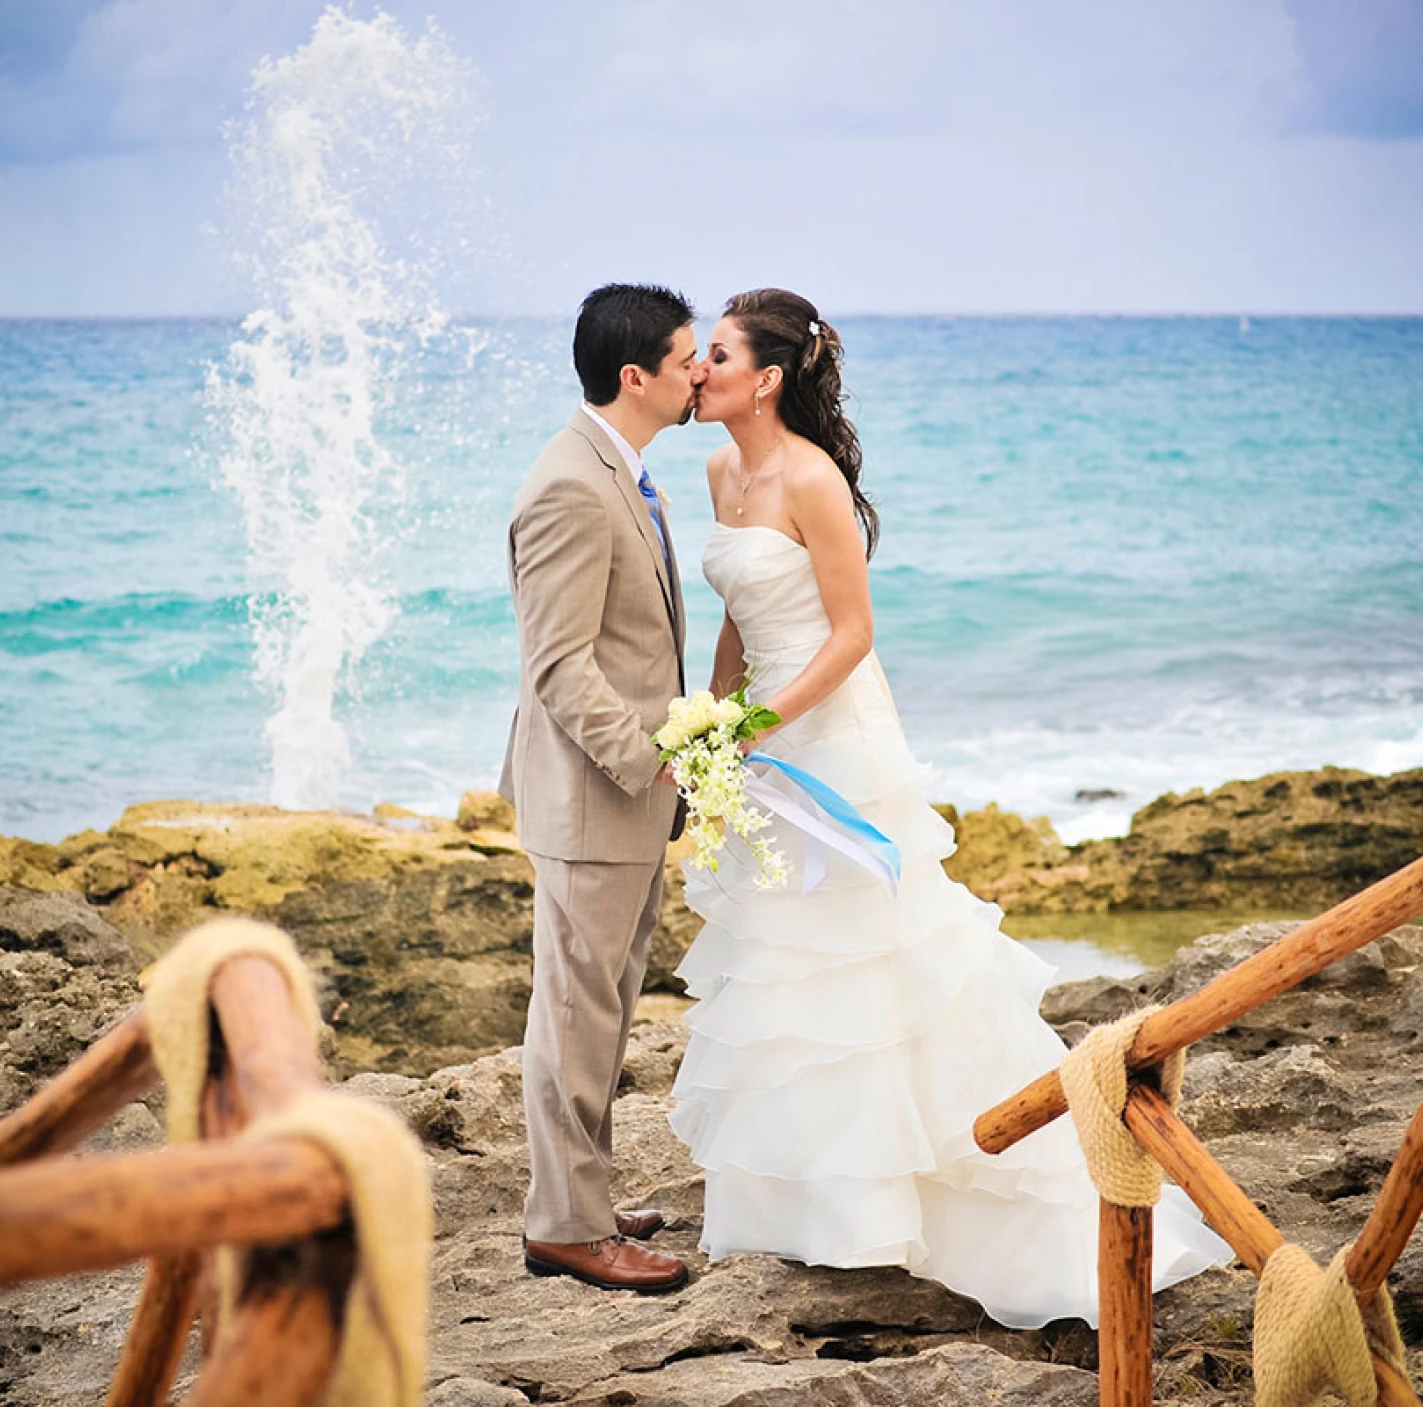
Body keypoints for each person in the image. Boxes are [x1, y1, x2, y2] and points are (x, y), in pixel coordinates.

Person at [668, 287, 1232, 1326]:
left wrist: (754, 725)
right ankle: (809, 1210)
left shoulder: (810, 477)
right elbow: (742, 620)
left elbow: (849, 635)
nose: (695, 370)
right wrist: (710, 724)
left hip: (835, 738)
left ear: (768, 377)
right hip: (759, 736)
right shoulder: (716, 469)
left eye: (715, 353)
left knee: (867, 960)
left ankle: (942, 1195)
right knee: (785, 966)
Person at [500, 283, 697, 1293]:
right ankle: (567, 1227)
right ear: (636, 377)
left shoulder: (620, 471)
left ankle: (578, 1196)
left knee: (604, 1005)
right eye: (683, 360)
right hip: (593, 796)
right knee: (577, 1012)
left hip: (622, 798)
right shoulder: (571, 486)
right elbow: (559, 665)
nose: (697, 374)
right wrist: (648, 760)